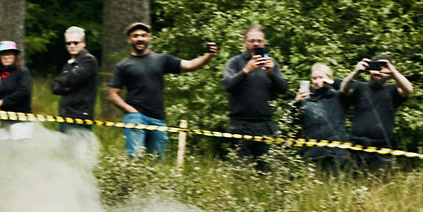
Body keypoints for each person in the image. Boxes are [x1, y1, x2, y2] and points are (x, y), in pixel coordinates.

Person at [108, 22, 218, 158]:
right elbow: (113, 94)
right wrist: (130, 110)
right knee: (135, 159)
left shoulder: (161, 59)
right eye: (135, 36)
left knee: (157, 162)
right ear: (129, 40)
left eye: (143, 35)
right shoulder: (123, 65)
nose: (140, 39)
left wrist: (208, 56)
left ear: (149, 38)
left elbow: (189, 65)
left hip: (158, 119)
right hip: (135, 117)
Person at [222, 25, 289, 167]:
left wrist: (271, 74)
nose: (256, 44)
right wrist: (246, 71)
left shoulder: (271, 64)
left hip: (265, 126)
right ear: (245, 42)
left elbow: (284, 89)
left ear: (264, 43)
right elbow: (227, 85)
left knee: (268, 172)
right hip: (240, 125)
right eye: (252, 40)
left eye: (259, 41)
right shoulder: (235, 62)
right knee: (240, 171)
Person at [339, 54, 413, 174]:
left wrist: (393, 71)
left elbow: (408, 89)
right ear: (369, 69)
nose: (378, 72)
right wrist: (356, 72)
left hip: (381, 150)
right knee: (349, 185)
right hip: (356, 147)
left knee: (380, 187)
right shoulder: (359, 87)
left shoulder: (393, 91)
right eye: (376, 67)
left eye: (383, 68)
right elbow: (344, 89)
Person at [292, 63, 348, 177]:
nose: (317, 81)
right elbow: (290, 122)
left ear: (329, 78)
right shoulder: (306, 99)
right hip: (313, 153)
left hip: (336, 153)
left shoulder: (339, 97)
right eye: (314, 78)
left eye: (321, 77)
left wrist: (332, 83)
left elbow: (352, 86)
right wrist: (295, 103)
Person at [51, 26, 98, 134]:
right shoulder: (69, 63)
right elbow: (54, 88)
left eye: (75, 43)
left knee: (79, 150)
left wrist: (64, 82)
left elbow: (72, 80)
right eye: (68, 43)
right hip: (65, 114)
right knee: (65, 150)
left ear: (83, 43)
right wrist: (66, 85)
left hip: (81, 115)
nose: (72, 46)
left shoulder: (88, 60)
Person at [0, 41, 34, 140]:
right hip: (2, 119)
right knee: (4, 150)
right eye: (3, 55)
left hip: (21, 119)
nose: (6, 57)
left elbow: (25, 91)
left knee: (20, 150)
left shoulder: (22, 72)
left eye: (9, 54)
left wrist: (4, 101)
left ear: (15, 56)